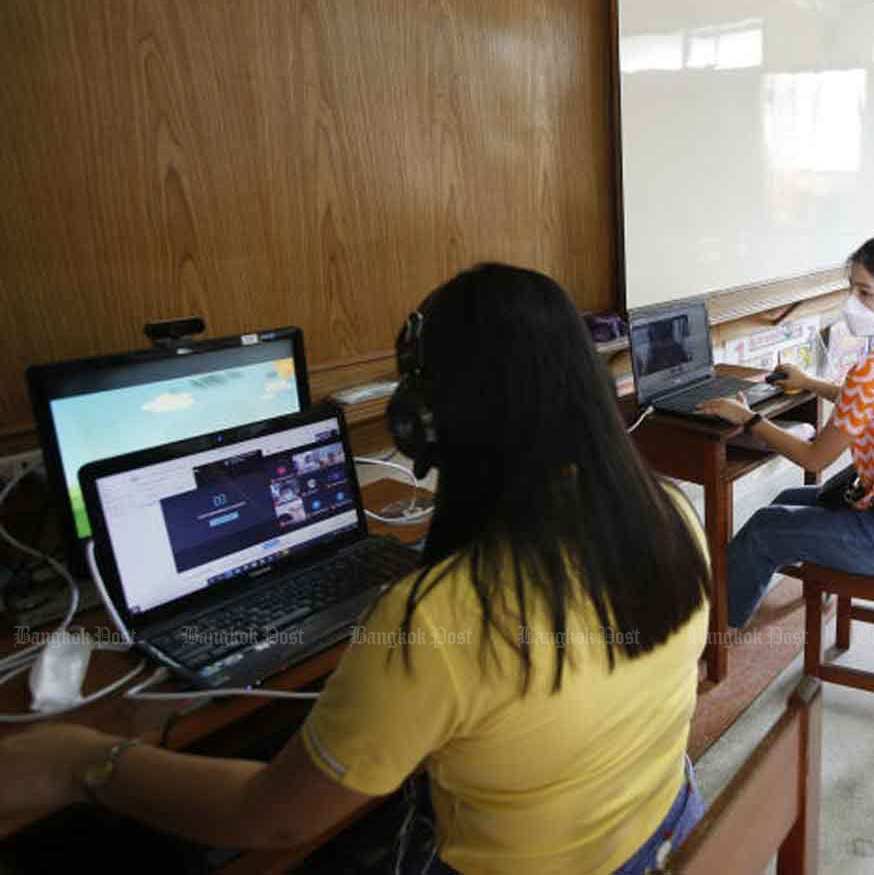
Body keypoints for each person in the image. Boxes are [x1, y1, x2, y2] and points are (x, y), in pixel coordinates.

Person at [0, 264, 712, 875]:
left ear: (422, 426)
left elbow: (271, 817)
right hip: (667, 832)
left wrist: (85, 761)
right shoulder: (672, 517)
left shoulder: (436, 618)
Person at [696, 234, 874, 628]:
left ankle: (713, 627)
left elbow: (813, 457)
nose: (851, 304)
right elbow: (871, 400)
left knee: (764, 529)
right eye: (851, 289)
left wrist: (750, 420)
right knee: (791, 497)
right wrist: (809, 382)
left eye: (865, 293)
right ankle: (732, 596)